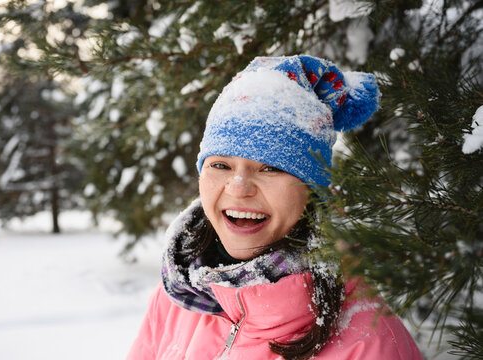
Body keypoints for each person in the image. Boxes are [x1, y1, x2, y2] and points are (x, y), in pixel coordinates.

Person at [127, 55, 424, 360]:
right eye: (220, 165)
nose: (239, 187)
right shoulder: (179, 294)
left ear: (312, 190)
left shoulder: (368, 344)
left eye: (270, 168)